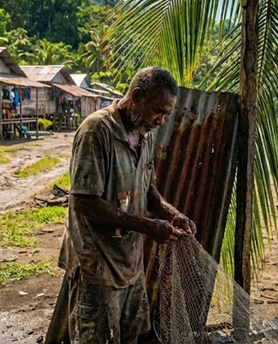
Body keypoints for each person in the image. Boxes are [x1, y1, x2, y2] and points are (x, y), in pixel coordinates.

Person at [56, 66, 197, 344]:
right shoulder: (97, 130)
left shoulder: (144, 133)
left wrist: (173, 215)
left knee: (130, 335)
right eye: (158, 112)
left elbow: (147, 189)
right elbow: (84, 202)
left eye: (166, 115)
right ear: (137, 96)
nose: (161, 121)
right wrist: (147, 226)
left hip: (130, 264)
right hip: (97, 266)